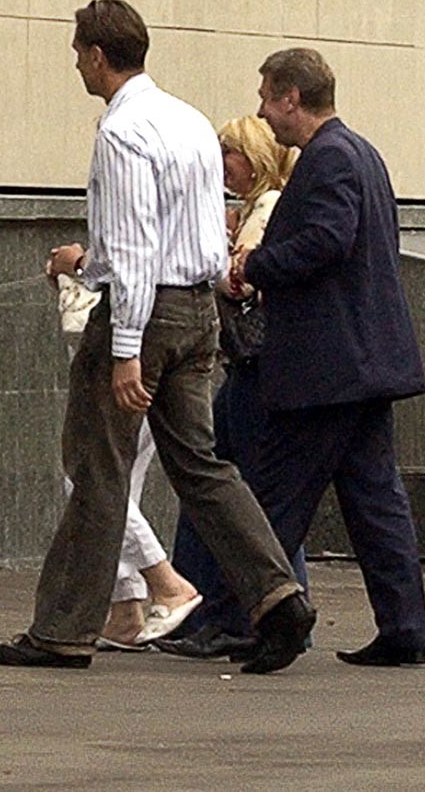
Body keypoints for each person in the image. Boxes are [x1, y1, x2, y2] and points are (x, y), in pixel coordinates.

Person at [0, 0, 312, 674]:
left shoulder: (122, 131)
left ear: (98, 56)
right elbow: (197, 226)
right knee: (202, 467)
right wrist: (103, 265)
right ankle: (278, 596)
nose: (76, 63)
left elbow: (131, 248)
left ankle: (63, 629)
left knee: (97, 467)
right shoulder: (188, 120)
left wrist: (124, 347)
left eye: (78, 52)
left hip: (145, 314)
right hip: (196, 308)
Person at [230, 48, 425, 667]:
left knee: (272, 498)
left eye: (267, 97)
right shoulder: (361, 152)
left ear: (293, 97)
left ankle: (270, 623)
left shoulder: (330, 158)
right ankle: (406, 628)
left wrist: (257, 266)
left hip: (329, 367)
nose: (262, 113)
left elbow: (326, 240)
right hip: (363, 363)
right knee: (375, 501)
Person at [160, 117, 307, 659]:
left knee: (226, 483)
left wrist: (217, 252)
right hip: (254, 364)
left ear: (256, 157)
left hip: (255, 363)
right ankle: (242, 608)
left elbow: (239, 278)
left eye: (231, 152)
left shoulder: (266, 208)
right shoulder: (259, 207)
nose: (223, 163)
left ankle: (236, 611)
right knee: (230, 481)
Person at [56, 275, 201, 649]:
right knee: (121, 476)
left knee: (92, 476)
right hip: (167, 330)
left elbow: (132, 263)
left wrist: (78, 264)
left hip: (138, 334)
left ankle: (165, 582)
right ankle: (126, 608)